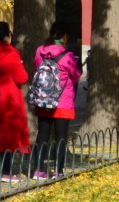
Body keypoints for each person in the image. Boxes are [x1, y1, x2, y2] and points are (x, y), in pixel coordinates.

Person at [30, 20, 81, 180]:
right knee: (61, 137)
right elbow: (75, 75)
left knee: (42, 135)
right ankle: (58, 171)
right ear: (65, 35)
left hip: (43, 99)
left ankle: (38, 170)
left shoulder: (40, 50)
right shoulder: (67, 54)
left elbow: (36, 65)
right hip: (63, 101)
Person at [0, 21, 29, 179]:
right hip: (8, 99)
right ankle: (6, 172)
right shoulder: (11, 53)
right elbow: (21, 78)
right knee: (7, 135)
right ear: (7, 35)